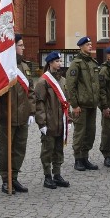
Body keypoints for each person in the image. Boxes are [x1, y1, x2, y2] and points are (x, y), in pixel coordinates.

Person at [0, 34, 36, 194]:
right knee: (5, 150)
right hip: (7, 117)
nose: (23, 48)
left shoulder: (25, 67)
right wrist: (2, 113)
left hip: (22, 116)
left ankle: (15, 177)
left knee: (19, 149)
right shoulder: (3, 67)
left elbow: (30, 91)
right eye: (20, 45)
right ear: (13, 48)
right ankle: (6, 180)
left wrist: (31, 111)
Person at [34, 51, 71, 189]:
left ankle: (57, 174)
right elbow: (39, 103)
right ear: (50, 63)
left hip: (61, 121)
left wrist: (69, 119)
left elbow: (66, 102)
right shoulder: (43, 81)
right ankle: (47, 176)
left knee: (58, 149)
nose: (59, 64)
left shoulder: (62, 80)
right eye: (57, 61)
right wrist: (41, 122)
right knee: (47, 150)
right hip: (49, 122)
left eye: (60, 61)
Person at [63, 36, 100, 171]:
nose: (90, 46)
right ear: (81, 46)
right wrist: (74, 105)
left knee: (90, 132)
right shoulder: (76, 63)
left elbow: (97, 84)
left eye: (91, 44)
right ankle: (78, 158)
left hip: (92, 104)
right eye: (88, 44)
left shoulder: (93, 63)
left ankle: (85, 157)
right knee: (80, 132)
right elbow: (70, 85)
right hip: (81, 105)